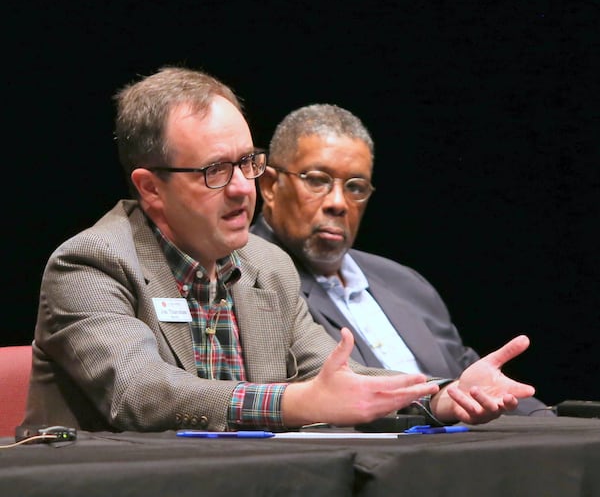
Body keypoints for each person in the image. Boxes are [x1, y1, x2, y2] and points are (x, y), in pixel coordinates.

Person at [23, 66, 537, 434]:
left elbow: (332, 374)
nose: (245, 188)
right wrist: (294, 403)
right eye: (215, 171)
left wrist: (440, 394)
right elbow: (139, 393)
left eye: (248, 162)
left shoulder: (266, 265)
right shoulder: (92, 262)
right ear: (151, 188)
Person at [251, 103, 551, 417]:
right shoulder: (253, 279)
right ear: (271, 186)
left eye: (355, 187)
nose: (338, 203)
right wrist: (443, 398)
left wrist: (547, 421)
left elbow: (468, 378)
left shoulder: (404, 281)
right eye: (317, 180)